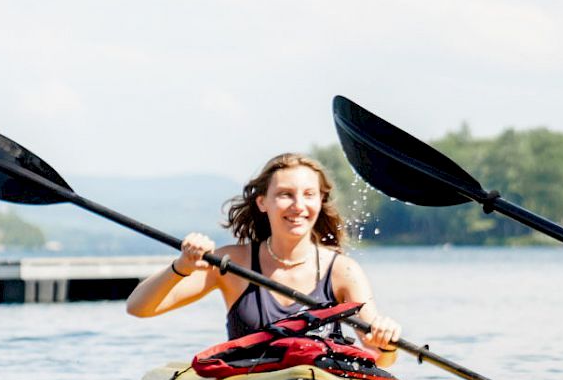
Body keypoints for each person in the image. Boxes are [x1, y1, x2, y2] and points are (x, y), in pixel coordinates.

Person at [127, 153, 403, 368]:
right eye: (285, 194)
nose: (298, 206)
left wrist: (387, 343)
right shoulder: (231, 263)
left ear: (320, 201)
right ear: (262, 202)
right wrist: (181, 268)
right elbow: (139, 308)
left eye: (309, 195)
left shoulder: (342, 271)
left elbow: (379, 354)